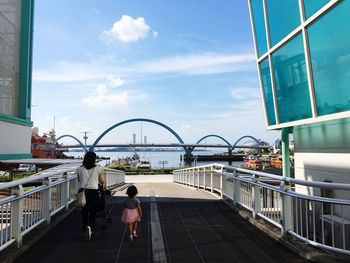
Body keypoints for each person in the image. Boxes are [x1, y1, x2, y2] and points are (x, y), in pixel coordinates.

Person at [76, 151, 105, 240]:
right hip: (93, 192)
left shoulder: (79, 169)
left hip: (82, 191)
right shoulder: (98, 169)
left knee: (84, 211)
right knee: (93, 210)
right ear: (94, 159)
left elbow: (79, 180)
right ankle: (90, 227)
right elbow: (102, 181)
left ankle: (85, 228)